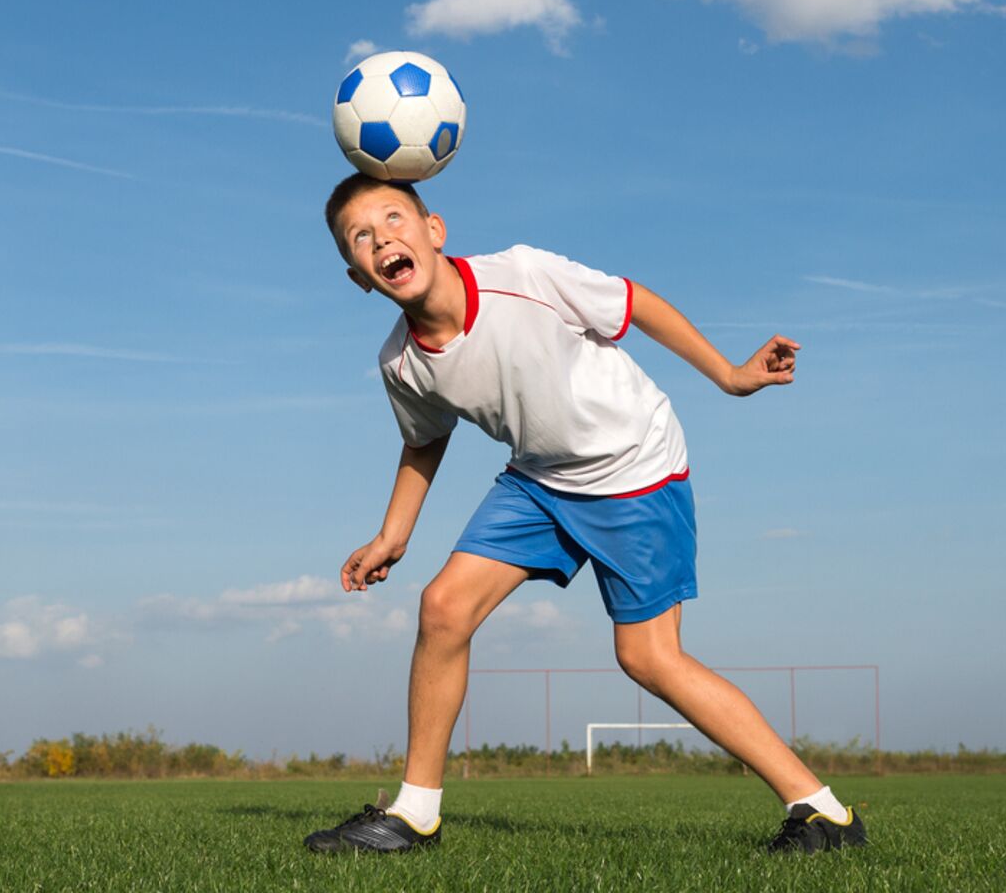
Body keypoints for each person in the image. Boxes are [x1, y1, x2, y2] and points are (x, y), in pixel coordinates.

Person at [305, 173, 866, 857]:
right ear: (359, 276)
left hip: (634, 467)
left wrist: (729, 375)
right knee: (443, 607)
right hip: (540, 478)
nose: (382, 238)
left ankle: (822, 812)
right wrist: (394, 534)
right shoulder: (400, 362)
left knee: (649, 658)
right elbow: (425, 437)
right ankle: (415, 814)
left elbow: (634, 303)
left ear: (435, 231)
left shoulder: (524, 275)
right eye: (361, 237)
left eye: (394, 218)